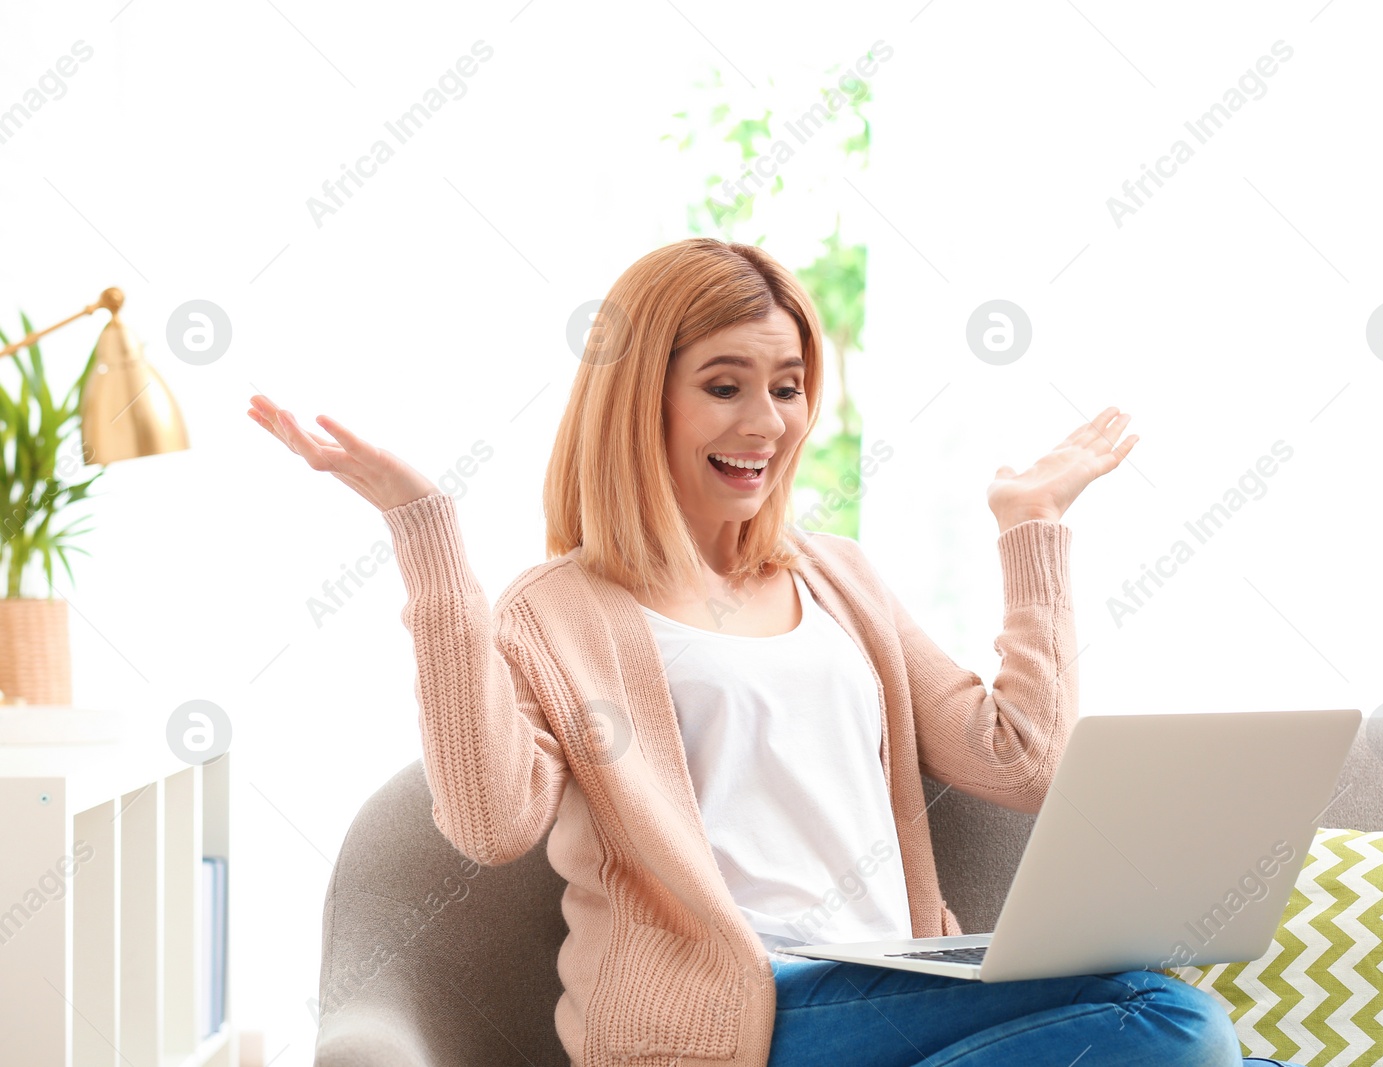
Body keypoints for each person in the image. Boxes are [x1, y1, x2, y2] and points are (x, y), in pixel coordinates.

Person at [249, 237, 1306, 1067]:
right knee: (1166, 1020)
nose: (766, 420)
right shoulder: (557, 610)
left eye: (789, 384)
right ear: (639, 398)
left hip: (892, 984)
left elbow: (1021, 759)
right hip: (725, 1014)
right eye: (723, 383)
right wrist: (427, 537)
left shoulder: (836, 575)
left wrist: (1030, 528)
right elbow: (489, 821)